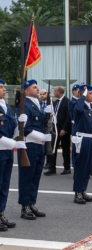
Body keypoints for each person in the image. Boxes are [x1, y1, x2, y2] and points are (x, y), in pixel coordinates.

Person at [17, 79, 52, 219]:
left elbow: (44, 124)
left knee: (36, 176)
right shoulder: (25, 105)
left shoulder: (38, 104)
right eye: (34, 87)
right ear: (26, 91)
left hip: (39, 145)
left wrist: (49, 114)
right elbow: (26, 128)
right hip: (29, 145)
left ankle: (32, 203)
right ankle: (24, 206)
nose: (38, 89)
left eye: (37, 87)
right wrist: (42, 137)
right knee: (27, 176)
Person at [0, 79, 27, 230]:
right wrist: (13, 144)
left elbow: (11, 131)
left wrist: (20, 124)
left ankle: (1, 214)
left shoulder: (7, 108)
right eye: (1, 87)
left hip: (7, 152)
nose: (4, 89)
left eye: (4, 87)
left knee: (4, 185)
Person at [71, 85, 92, 204]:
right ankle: (77, 193)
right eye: (90, 93)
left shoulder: (89, 107)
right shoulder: (78, 105)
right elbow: (78, 109)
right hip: (82, 139)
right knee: (80, 166)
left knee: (87, 166)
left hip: (90, 139)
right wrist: (83, 95)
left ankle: (83, 189)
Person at [44, 86, 71, 176]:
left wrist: (64, 129)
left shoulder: (67, 101)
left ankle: (67, 168)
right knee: (53, 148)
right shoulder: (55, 102)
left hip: (64, 129)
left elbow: (68, 117)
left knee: (65, 149)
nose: (54, 93)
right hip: (55, 128)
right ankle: (52, 168)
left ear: (59, 92)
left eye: (55, 91)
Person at [39, 89, 49, 169]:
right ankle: (42, 161)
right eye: (41, 94)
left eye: (44, 94)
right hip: (41, 127)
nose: (42, 95)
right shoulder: (39, 104)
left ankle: (49, 162)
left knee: (48, 145)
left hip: (49, 127)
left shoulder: (51, 104)